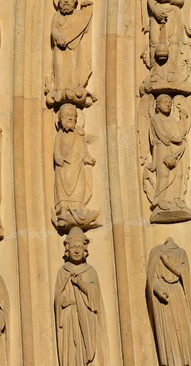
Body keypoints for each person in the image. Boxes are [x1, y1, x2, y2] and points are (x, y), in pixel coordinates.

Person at [54, 227, 108, 366]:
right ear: (67, 250)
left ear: (85, 250)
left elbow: (95, 296)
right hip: (69, 318)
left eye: (79, 247)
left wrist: (80, 283)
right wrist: (63, 301)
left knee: (86, 349)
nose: (77, 250)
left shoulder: (90, 272)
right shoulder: (63, 272)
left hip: (87, 317)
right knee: (71, 351)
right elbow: (58, 297)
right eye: (73, 247)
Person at [147, 238, 191, 365]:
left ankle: (186, 361)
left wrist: (166, 261)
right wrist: (157, 289)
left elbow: (183, 273)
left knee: (182, 330)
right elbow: (151, 278)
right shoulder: (155, 252)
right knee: (168, 334)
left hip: (178, 294)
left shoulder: (181, 253)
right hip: (163, 298)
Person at [53, 104, 98, 230]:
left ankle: (78, 209)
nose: (71, 118)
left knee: (79, 188)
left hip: (77, 168)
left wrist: (88, 158)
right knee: (62, 190)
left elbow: (83, 151)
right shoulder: (59, 135)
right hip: (63, 168)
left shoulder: (79, 135)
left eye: (73, 116)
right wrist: (58, 158)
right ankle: (63, 210)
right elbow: (56, 149)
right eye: (67, 116)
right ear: (61, 119)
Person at [147, 0, 184, 84]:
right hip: (157, 15)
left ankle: (172, 72)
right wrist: (155, 10)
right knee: (155, 42)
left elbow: (181, 0)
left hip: (172, 13)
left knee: (173, 42)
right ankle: (155, 72)